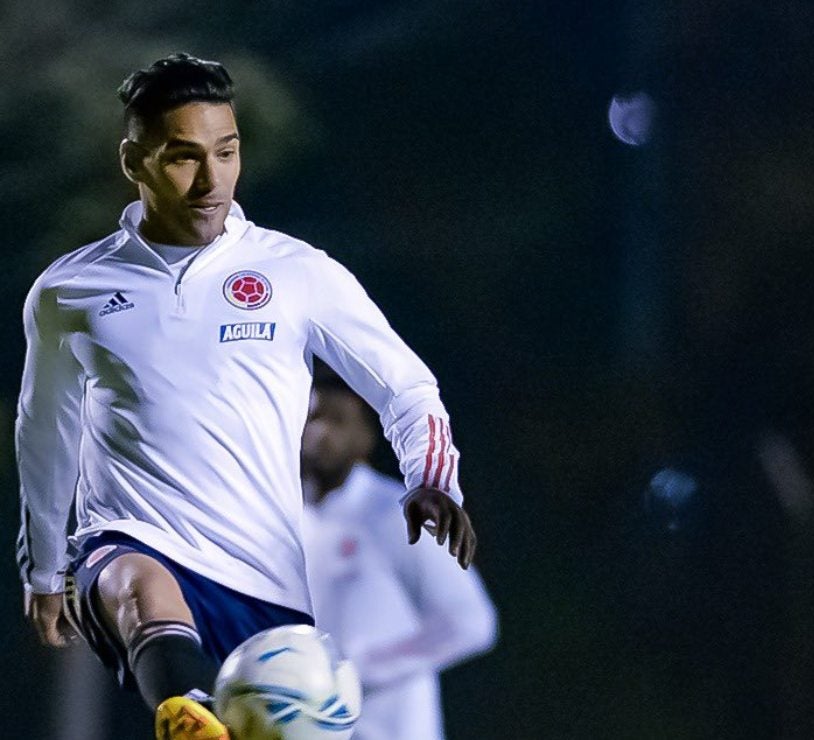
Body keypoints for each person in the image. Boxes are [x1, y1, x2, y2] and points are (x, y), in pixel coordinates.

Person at [16, 53, 475, 740]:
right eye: (182, 158)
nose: (211, 181)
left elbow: (406, 386)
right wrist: (46, 567)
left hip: (266, 588)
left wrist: (433, 478)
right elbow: (44, 431)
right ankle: (183, 713)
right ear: (133, 161)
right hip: (130, 543)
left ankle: (198, 712)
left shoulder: (297, 273)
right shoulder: (68, 291)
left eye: (226, 153)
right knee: (135, 578)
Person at [301, 364, 497, 740]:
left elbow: (471, 621)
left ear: (365, 435)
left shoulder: (396, 513)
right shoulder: (281, 518)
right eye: (311, 419)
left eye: (337, 420)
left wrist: (357, 670)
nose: (320, 433)